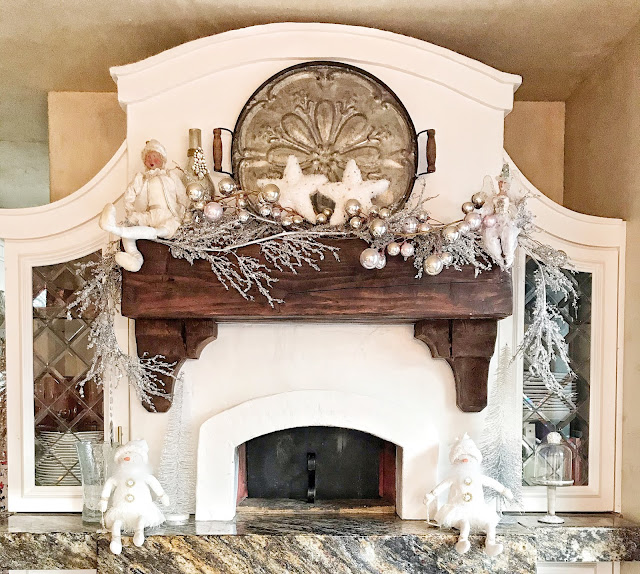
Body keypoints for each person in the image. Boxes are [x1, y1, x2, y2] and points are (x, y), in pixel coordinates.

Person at [100, 139, 188, 272]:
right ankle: (135, 258)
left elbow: (182, 195)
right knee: (130, 224)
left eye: (155, 157)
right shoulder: (141, 178)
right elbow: (129, 195)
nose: (151, 160)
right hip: (150, 213)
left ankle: (114, 229)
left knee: (163, 230)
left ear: (162, 159)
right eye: (148, 158)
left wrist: (185, 213)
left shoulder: (171, 176)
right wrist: (131, 212)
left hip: (168, 214)